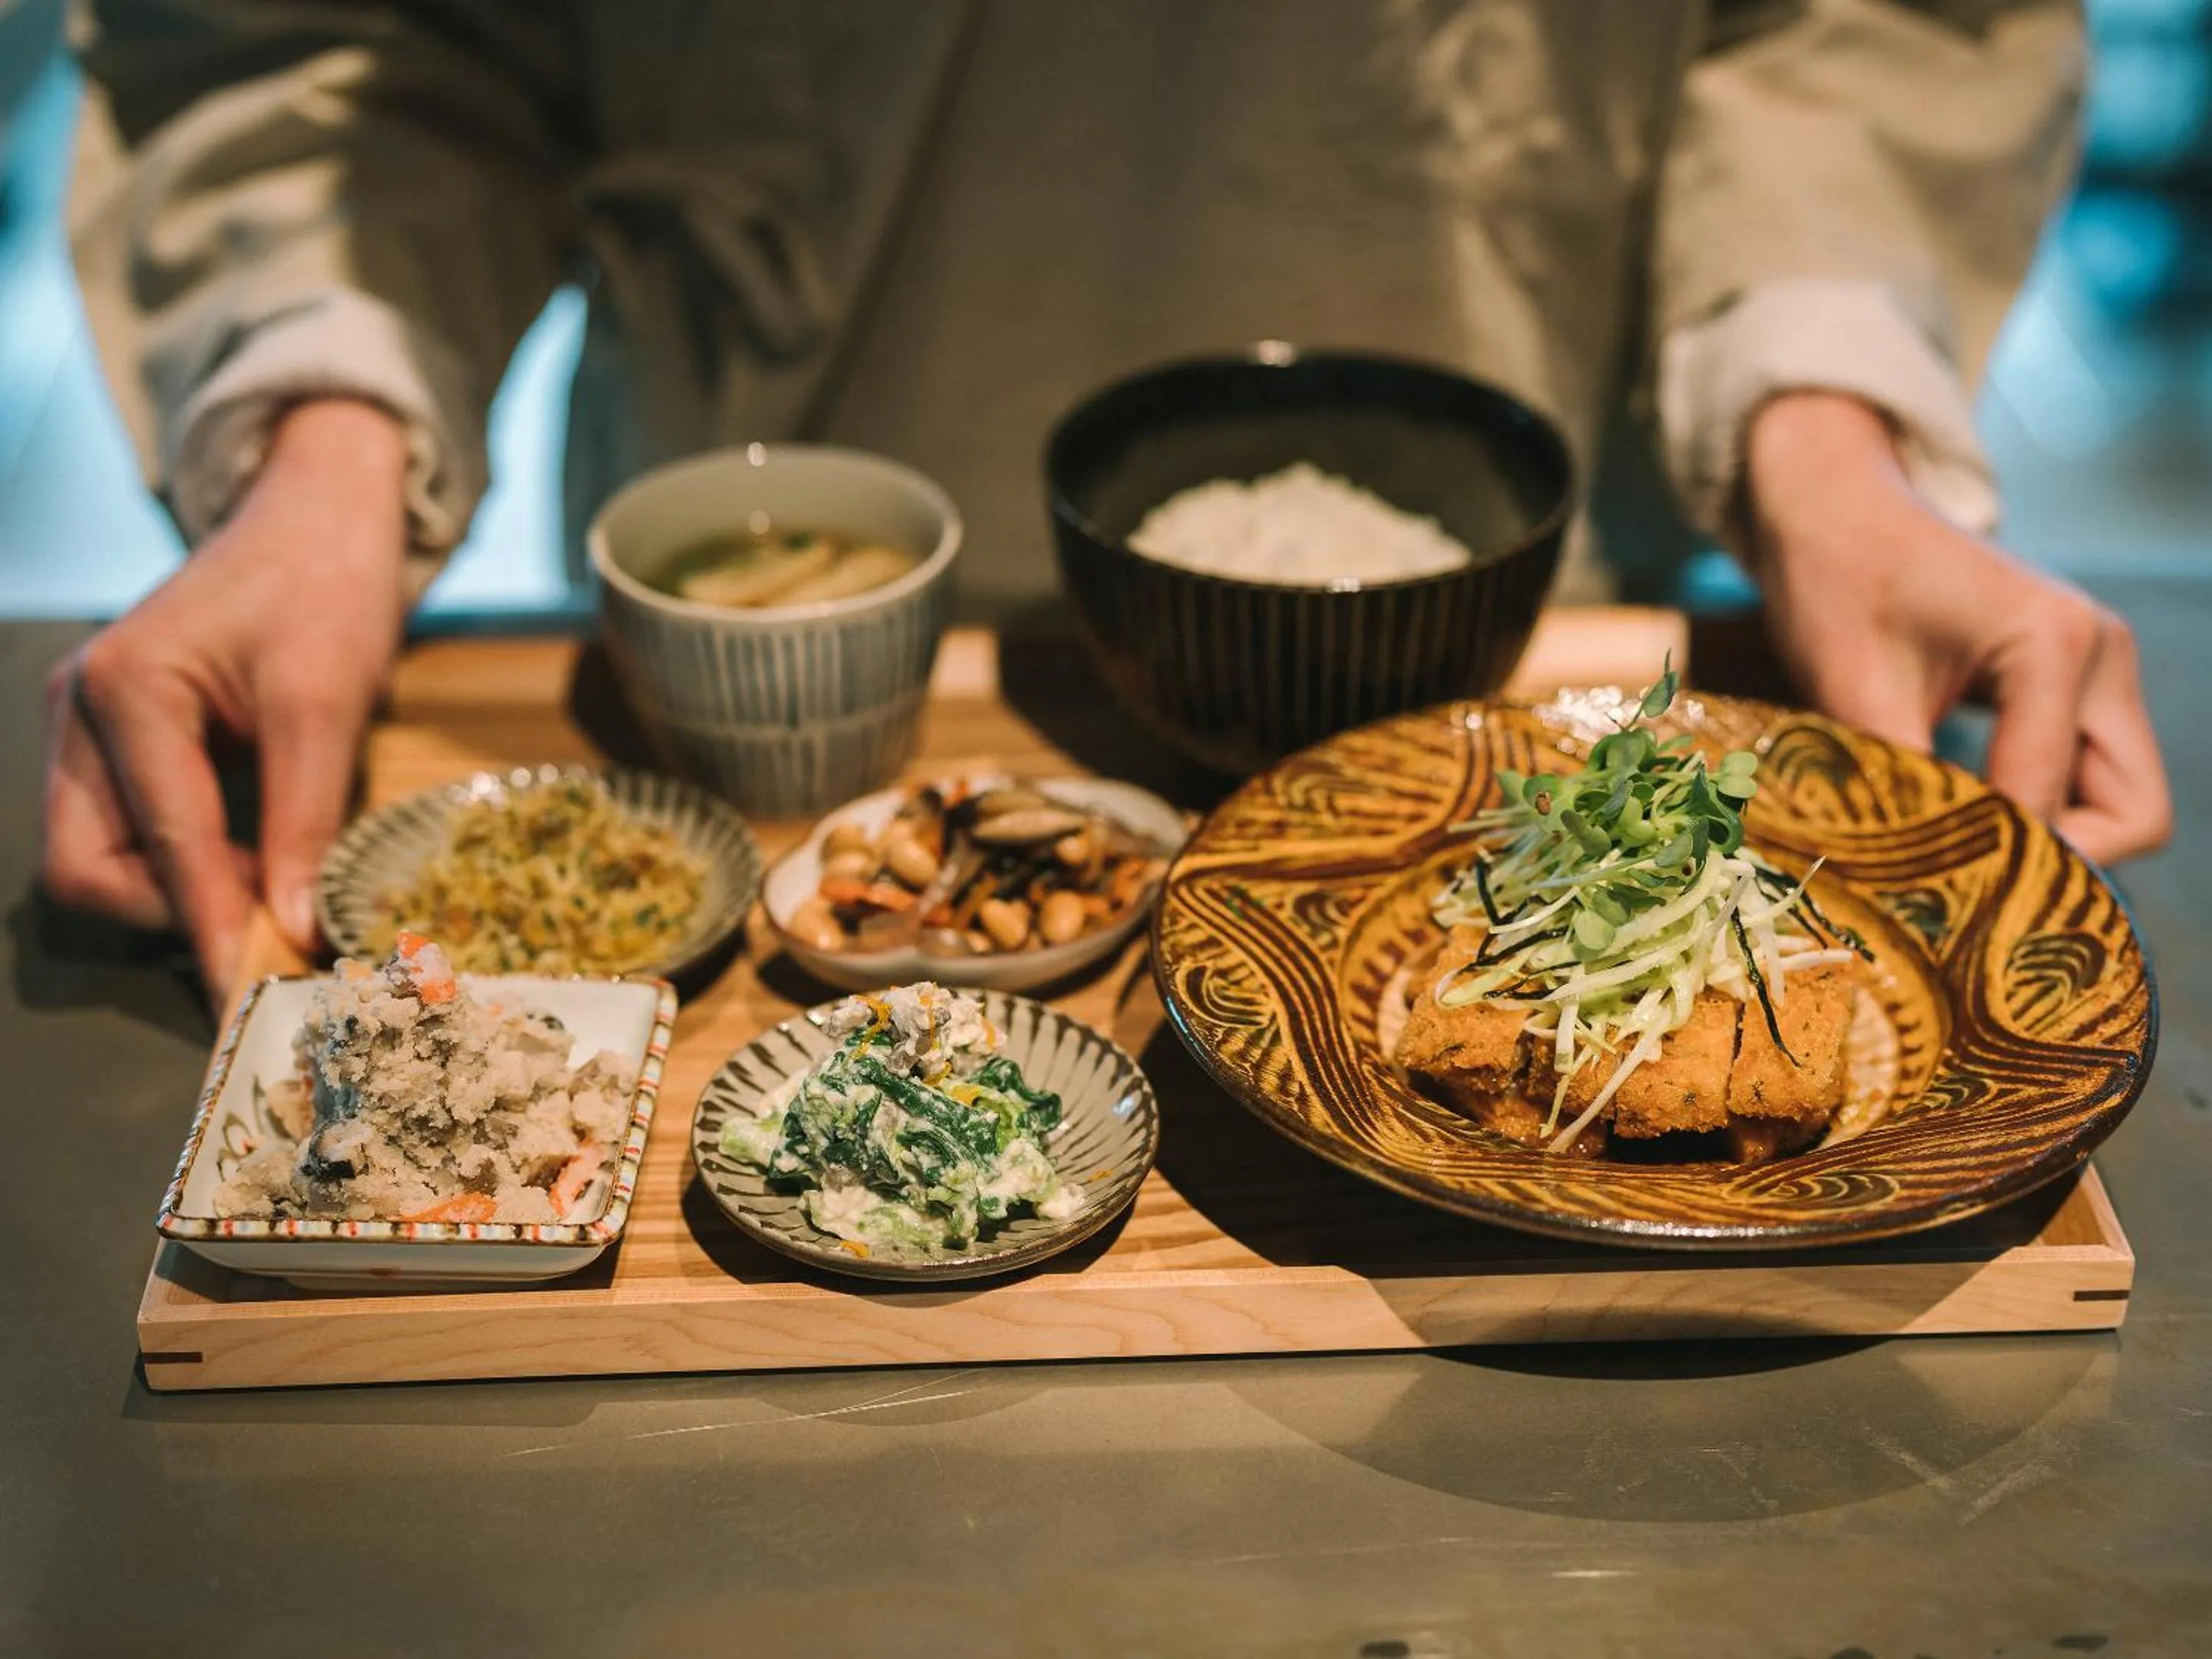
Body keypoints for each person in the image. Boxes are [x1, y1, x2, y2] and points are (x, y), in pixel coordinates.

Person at [43, 0, 2170, 995]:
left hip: (1507, 589)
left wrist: (1825, 435)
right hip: (781, 566)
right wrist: (320, 449)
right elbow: (319, 35)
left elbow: (1877, 24)